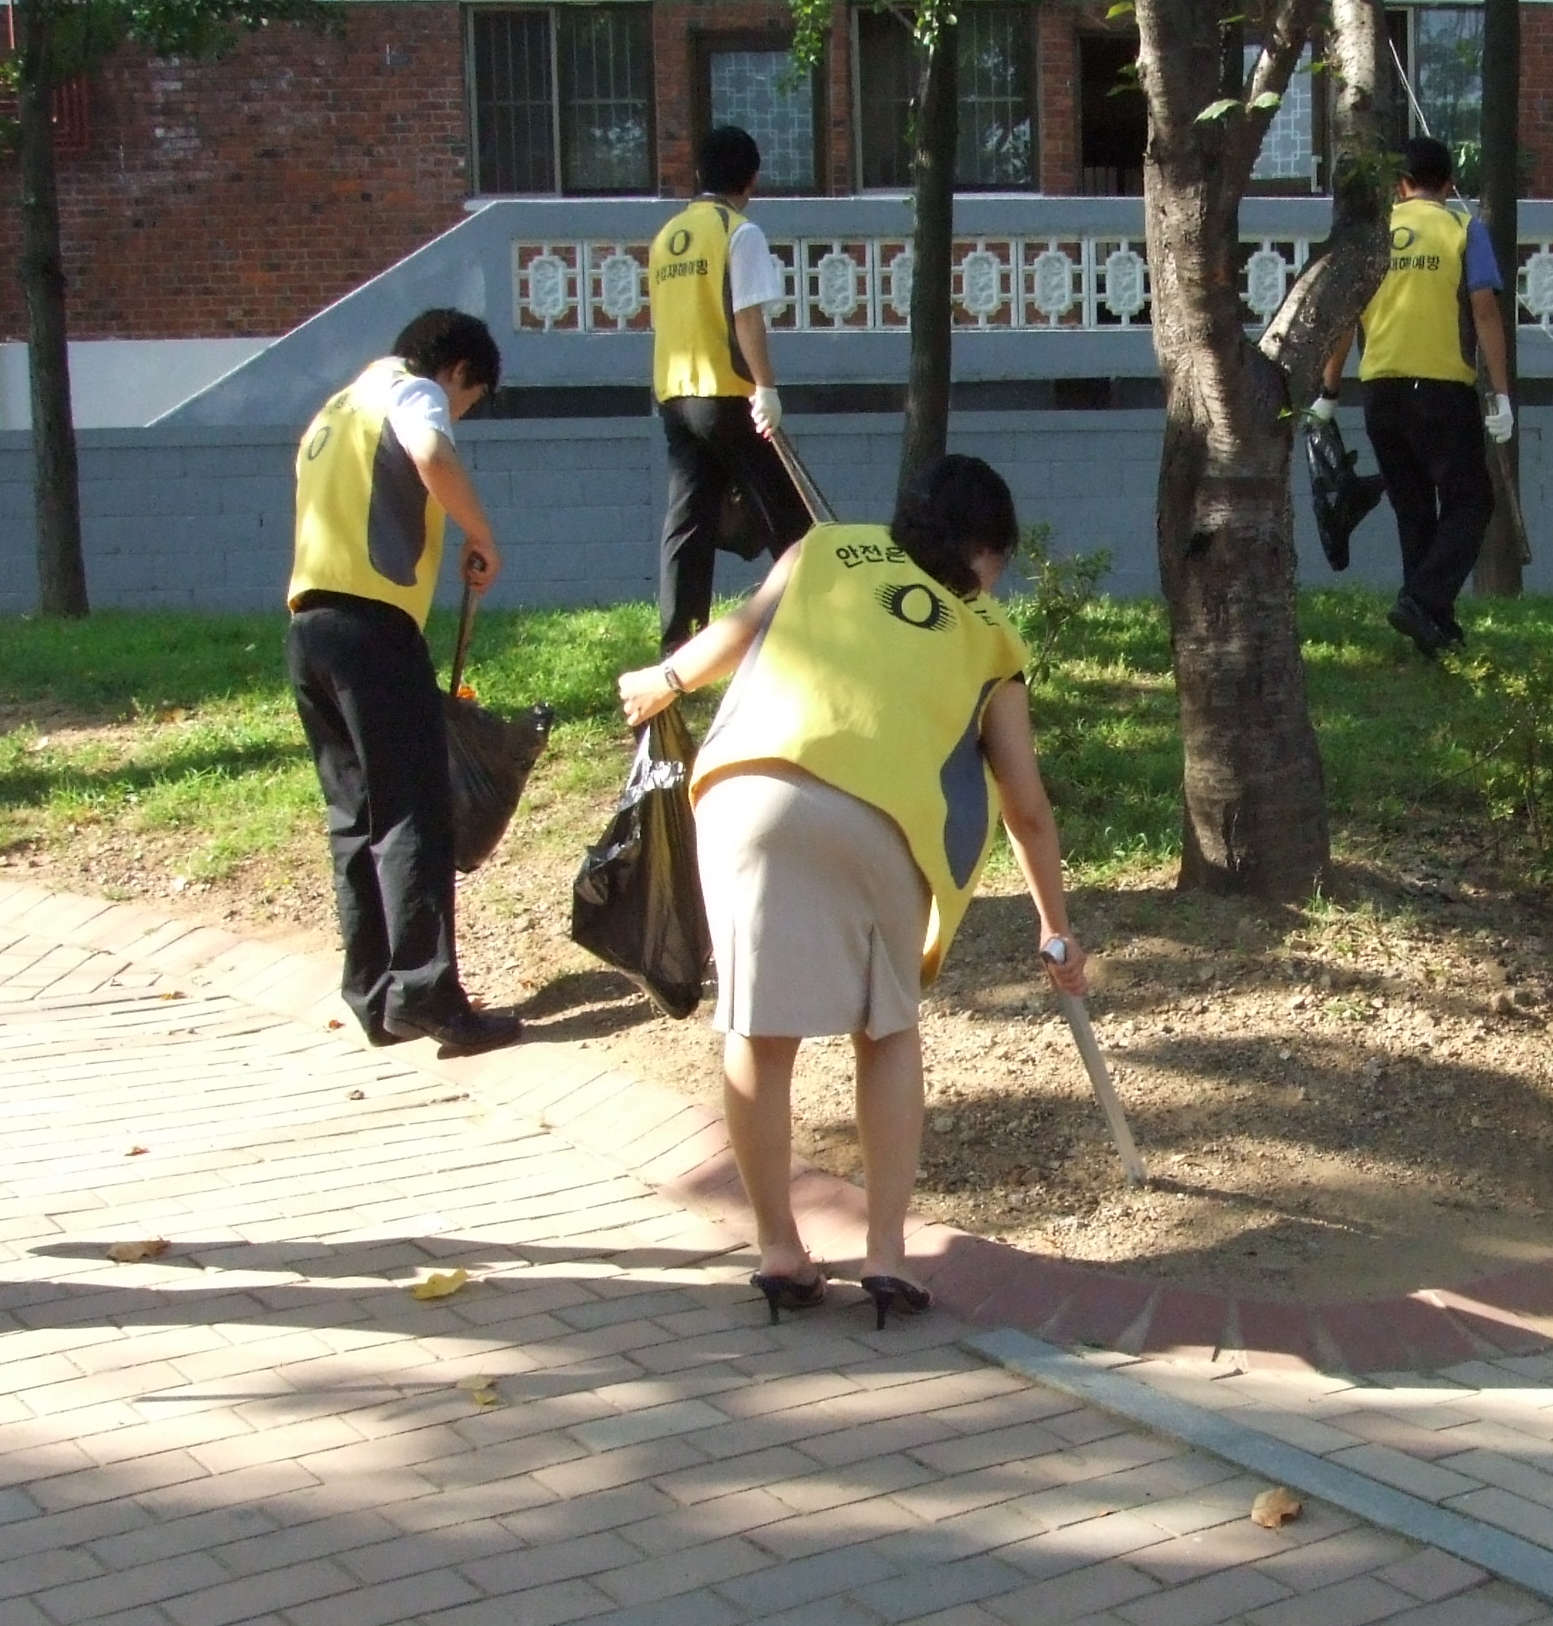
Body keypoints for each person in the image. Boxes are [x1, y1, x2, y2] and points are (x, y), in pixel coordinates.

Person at [616, 455, 1087, 1327]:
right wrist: (1056, 929)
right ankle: (884, 1254)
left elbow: (742, 630)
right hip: (883, 817)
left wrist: (663, 680)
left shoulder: (822, 549)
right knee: (887, 1026)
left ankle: (778, 1250)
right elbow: (1024, 804)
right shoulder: (988, 636)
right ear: (984, 552)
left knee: (759, 1029)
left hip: (749, 793)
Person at [285, 306, 526, 1057]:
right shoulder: (413, 392)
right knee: (412, 811)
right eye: (469, 401)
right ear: (455, 372)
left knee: (354, 817)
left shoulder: (333, 413)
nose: (459, 415)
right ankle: (429, 995)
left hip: (308, 631)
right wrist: (481, 533)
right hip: (373, 632)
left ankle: (374, 993)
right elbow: (430, 451)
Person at [1311, 134, 1516, 657]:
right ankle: (1424, 600)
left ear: (1399, 185)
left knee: (1414, 508)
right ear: (1448, 184)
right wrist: (1501, 394)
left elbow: (1346, 317)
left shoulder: (1375, 234)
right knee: (1472, 501)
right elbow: (1485, 311)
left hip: (1380, 389)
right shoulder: (1463, 228)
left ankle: (1433, 626)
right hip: (1441, 387)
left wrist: (1329, 392)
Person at [650, 124, 810, 651]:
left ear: (698, 175)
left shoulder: (667, 239)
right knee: (789, 515)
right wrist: (766, 387)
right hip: (727, 393)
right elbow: (747, 318)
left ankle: (679, 642)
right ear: (753, 179)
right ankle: (814, 623)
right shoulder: (739, 232)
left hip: (674, 396)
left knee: (688, 521)